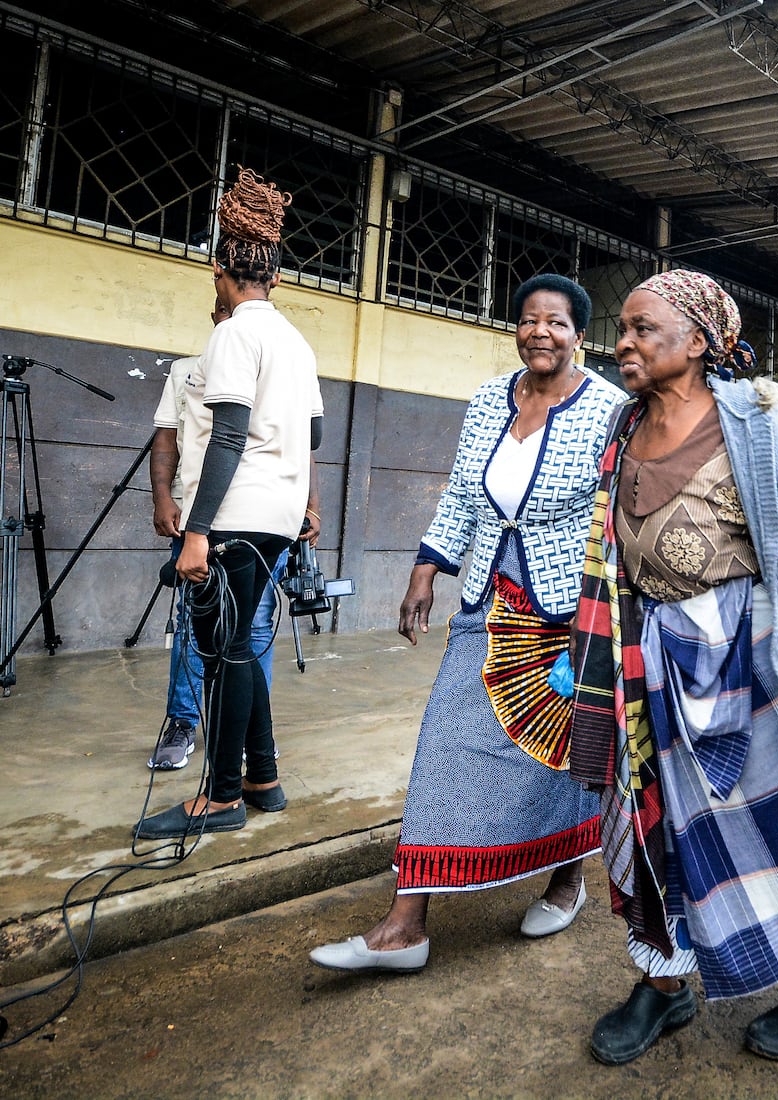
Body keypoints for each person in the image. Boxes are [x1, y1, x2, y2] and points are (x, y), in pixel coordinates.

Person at [569, 270, 778, 1065]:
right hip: (645, 663)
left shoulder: (749, 420)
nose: (622, 341)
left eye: (644, 328)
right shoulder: (618, 429)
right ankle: (663, 982)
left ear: (697, 342)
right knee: (649, 827)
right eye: (621, 327)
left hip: (751, 664)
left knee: (776, 828)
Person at [309, 273, 626, 973]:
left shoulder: (609, 408)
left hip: (568, 608)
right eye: (528, 320)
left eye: (557, 322)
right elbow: (460, 492)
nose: (540, 332)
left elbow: (617, 511)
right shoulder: (489, 399)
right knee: (445, 737)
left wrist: (601, 613)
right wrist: (427, 566)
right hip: (488, 595)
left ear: (579, 336)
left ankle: (567, 877)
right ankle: (405, 924)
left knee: (562, 754)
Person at [134, 167, 324, 839]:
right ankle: (262, 777)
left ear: (224, 270)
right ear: (274, 275)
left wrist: (197, 530)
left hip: (235, 516)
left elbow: (230, 434)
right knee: (240, 645)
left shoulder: (233, 334)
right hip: (277, 516)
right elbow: (314, 434)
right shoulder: (295, 343)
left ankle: (218, 798)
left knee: (224, 655)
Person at [147, 295, 318, 770]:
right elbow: (168, 439)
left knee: (239, 638)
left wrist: (309, 505)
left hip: (237, 518)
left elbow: (271, 439)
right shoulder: (191, 368)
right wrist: (169, 501)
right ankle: (236, 755)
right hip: (218, 516)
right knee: (214, 631)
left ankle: (229, 783)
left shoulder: (269, 350)